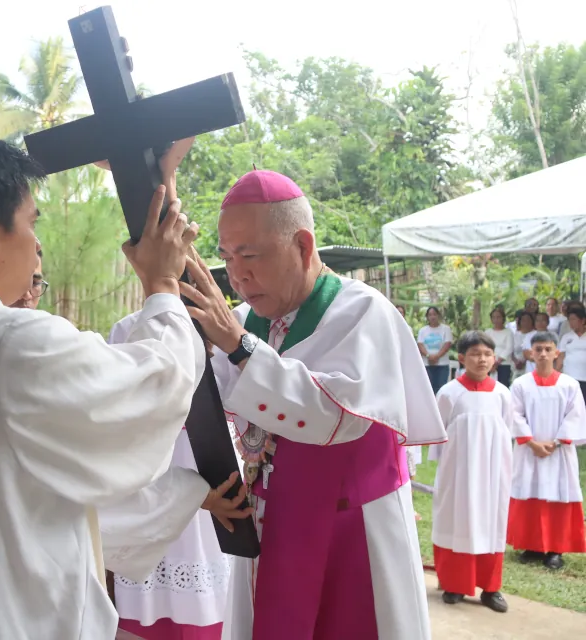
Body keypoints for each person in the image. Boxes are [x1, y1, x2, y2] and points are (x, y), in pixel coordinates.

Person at [0, 138, 243, 640]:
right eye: (32, 223)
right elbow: (154, 387)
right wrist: (161, 285)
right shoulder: (5, 343)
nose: (36, 243)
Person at [180, 169, 447, 640]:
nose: (238, 275)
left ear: (303, 246)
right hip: (271, 524)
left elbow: (331, 415)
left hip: (354, 530)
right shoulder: (244, 319)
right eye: (227, 257)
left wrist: (240, 347)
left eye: (250, 255)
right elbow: (210, 394)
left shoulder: (363, 311)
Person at [104, 311, 232, 640]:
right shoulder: (127, 327)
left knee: (207, 582)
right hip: (152, 464)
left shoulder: (219, 324)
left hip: (208, 459)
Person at [430, 331, 512, 613]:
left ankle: (491, 588)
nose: (482, 359)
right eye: (476, 354)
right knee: (457, 519)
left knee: (492, 522)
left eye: (488, 354)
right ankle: (454, 584)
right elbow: (438, 432)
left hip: (493, 472)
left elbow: (506, 431)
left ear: (494, 359)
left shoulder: (503, 394)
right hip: (459, 471)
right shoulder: (449, 393)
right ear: (462, 358)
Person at [508, 331, 586, 570]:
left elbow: (576, 416)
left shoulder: (569, 384)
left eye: (547, 349)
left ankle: (555, 549)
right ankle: (531, 546)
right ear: (531, 353)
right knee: (529, 493)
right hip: (529, 450)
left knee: (558, 494)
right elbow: (513, 414)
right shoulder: (520, 384)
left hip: (558, 452)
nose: (543, 354)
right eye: (538, 349)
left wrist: (557, 442)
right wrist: (532, 442)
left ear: (556, 353)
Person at [418, 306, 454, 394]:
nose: (432, 317)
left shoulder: (446, 329)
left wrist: (436, 356)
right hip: (427, 364)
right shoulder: (423, 330)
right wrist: (428, 356)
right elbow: (420, 344)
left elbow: (447, 344)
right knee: (427, 389)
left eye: (434, 314)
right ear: (427, 317)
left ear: (438, 315)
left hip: (442, 364)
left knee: (441, 389)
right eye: (430, 315)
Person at [558, 307, 586, 400]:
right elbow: (561, 357)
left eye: (574, 319)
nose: (571, 322)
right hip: (569, 377)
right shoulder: (566, 337)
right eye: (569, 320)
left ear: (582, 320)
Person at [487, 307, 515, 387]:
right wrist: (491, 360)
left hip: (504, 363)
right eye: (494, 317)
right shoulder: (488, 332)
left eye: (498, 317)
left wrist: (497, 361)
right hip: (489, 363)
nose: (496, 320)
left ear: (503, 318)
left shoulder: (508, 332)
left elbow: (509, 348)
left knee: (503, 385)